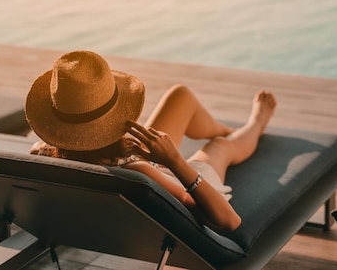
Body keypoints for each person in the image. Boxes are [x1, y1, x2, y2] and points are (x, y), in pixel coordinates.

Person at [25, 50, 276, 232]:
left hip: (135, 160)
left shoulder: (45, 154)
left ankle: (225, 129)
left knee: (180, 96)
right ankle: (254, 125)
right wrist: (174, 160)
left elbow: (44, 152)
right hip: (175, 177)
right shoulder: (138, 172)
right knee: (221, 148)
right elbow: (229, 221)